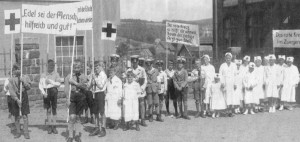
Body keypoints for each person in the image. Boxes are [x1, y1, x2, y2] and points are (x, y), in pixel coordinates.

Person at [65, 59, 89, 142]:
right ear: (73, 68)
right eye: (75, 67)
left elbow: (84, 87)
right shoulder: (69, 76)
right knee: (72, 117)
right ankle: (71, 136)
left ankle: (78, 135)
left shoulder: (83, 76)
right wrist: (67, 99)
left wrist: (74, 83)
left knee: (78, 117)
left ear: (81, 67)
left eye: (78, 67)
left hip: (80, 98)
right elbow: (66, 89)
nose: (77, 69)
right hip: (72, 98)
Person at [7, 63, 32, 139]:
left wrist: (24, 82)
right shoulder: (11, 79)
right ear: (13, 71)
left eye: (19, 69)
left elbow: (29, 87)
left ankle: (26, 132)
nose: (17, 71)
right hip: (15, 98)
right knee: (17, 116)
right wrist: (17, 99)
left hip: (24, 96)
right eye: (15, 69)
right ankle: (18, 132)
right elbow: (11, 91)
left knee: (24, 115)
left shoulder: (25, 77)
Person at [39, 59, 62, 134]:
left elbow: (58, 84)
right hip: (46, 93)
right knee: (48, 110)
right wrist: (43, 93)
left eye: (53, 65)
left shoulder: (56, 74)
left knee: (54, 109)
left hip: (54, 92)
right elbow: (41, 86)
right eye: (50, 65)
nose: (51, 67)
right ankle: (49, 126)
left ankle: (54, 126)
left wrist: (51, 82)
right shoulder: (43, 75)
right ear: (47, 66)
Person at [128, 55, 148, 126]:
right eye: (133, 63)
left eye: (136, 63)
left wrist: (142, 88)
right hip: (132, 91)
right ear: (132, 63)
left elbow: (145, 80)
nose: (134, 64)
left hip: (140, 90)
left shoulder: (142, 69)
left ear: (138, 62)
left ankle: (142, 119)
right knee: (132, 105)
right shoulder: (129, 70)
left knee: (142, 104)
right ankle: (133, 120)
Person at [89, 61, 107, 137]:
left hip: (100, 94)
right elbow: (89, 86)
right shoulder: (96, 75)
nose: (96, 69)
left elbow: (101, 86)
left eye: (98, 67)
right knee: (95, 112)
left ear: (102, 67)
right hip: (95, 94)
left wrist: (95, 79)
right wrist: (92, 81)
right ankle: (96, 127)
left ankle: (103, 129)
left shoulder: (103, 75)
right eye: (95, 67)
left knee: (101, 112)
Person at [219, 52, 237, 117]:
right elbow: (220, 75)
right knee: (225, 97)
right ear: (225, 58)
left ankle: (230, 111)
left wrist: (235, 83)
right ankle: (225, 111)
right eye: (227, 58)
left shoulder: (234, 65)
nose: (228, 59)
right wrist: (222, 82)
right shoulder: (222, 65)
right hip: (225, 82)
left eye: (229, 58)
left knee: (231, 97)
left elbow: (235, 75)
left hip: (231, 83)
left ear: (231, 58)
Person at [145, 58, 161, 122]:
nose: (149, 66)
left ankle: (158, 116)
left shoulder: (156, 70)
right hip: (148, 88)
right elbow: (145, 80)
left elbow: (159, 80)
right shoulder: (145, 71)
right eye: (147, 65)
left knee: (156, 103)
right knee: (150, 103)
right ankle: (150, 116)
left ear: (152, 64)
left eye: (150, 64)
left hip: (155, 88)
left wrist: (159, 88)